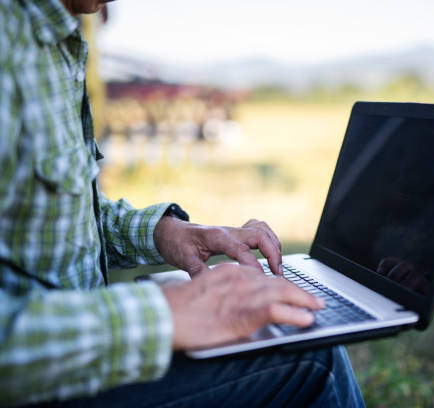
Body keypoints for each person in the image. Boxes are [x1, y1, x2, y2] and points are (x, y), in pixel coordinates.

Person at [0, 0, 365, 406]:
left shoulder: (58, 35)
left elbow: (52, 216)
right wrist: (161, 316)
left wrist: (168, 233)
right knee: (313, 359)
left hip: (82, 357)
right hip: (40, 384)